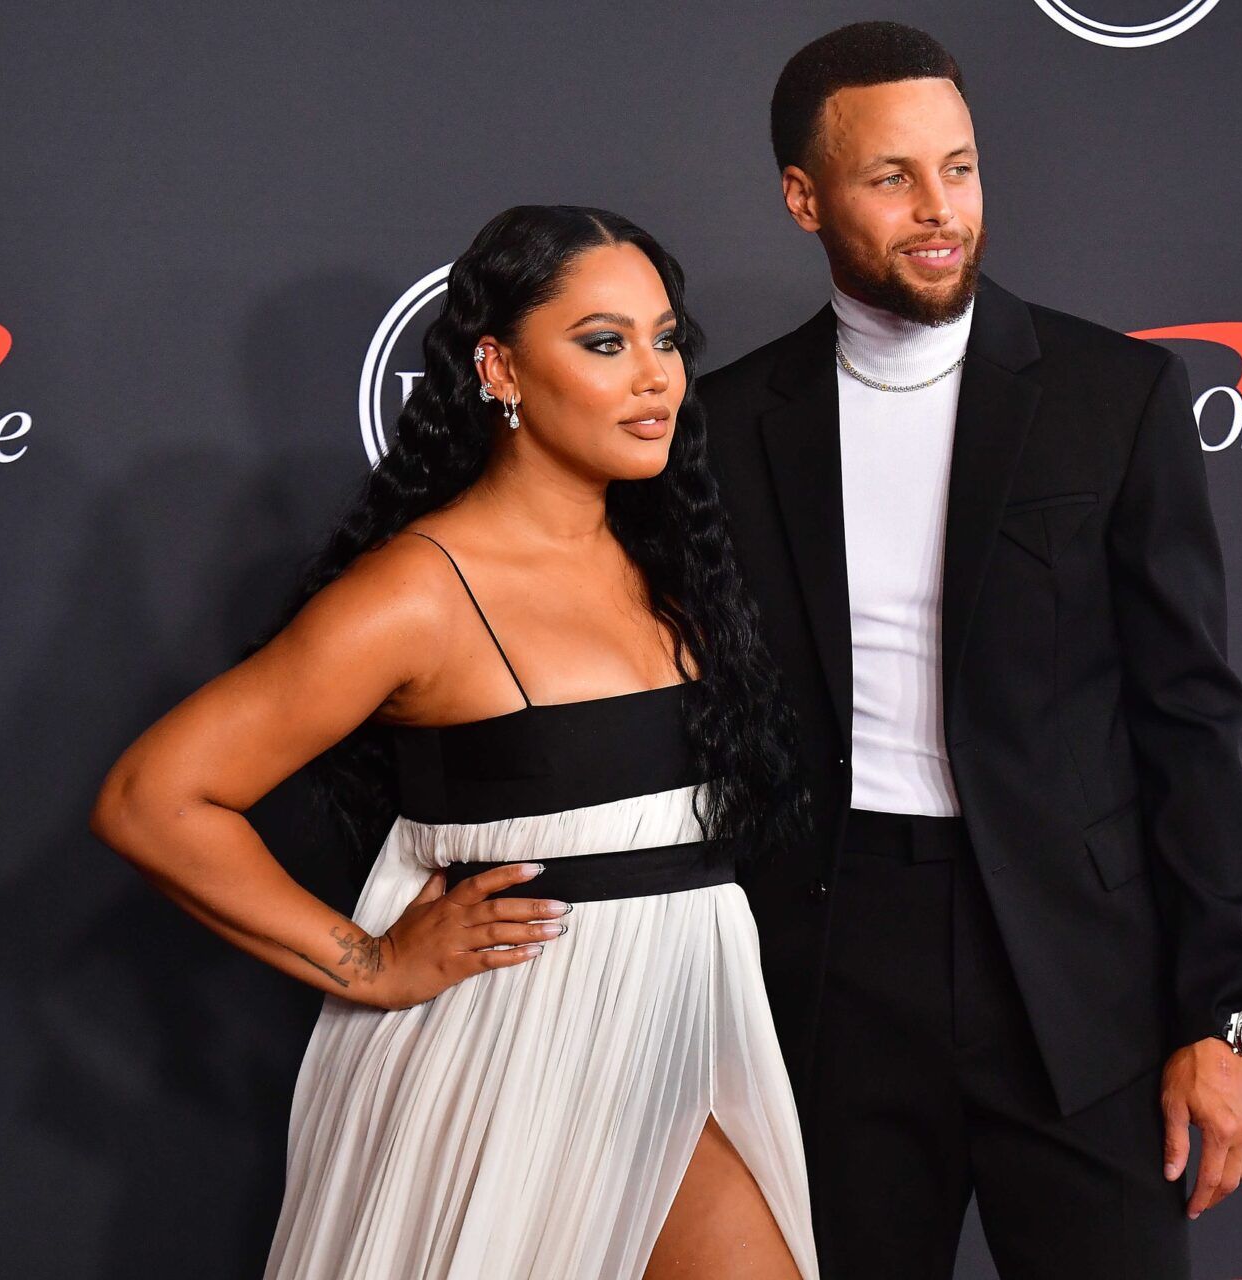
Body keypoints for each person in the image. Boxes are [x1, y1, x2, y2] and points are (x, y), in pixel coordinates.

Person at [88, 204, 819, 1279]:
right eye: (604, 342)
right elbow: (154, 797)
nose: (655, 375)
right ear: (500, 366)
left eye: (666, 339)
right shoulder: (417, 592)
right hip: (506, 1051)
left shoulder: (675, 561)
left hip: (688, 1022)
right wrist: (369, 960)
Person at [697, 22, 1242, 1280]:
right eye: (890, 176)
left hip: (1078, 975)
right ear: (804, 197)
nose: (938, 209)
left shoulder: (1111, 394)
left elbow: (1192, 723)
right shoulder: (727, 425)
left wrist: (1222, 1014)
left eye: (958, 168)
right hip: (833, 969)